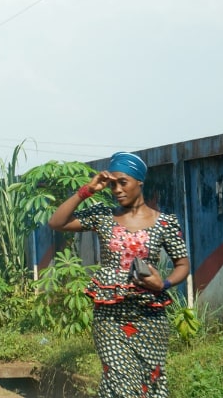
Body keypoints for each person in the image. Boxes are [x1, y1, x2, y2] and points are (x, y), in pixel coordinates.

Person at [48, 152, 190, 397]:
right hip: (110, 317)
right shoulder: (103, 216)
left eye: (123, 182)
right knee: (120, 382)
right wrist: (87, 190)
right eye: (112, 184)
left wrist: (163, 283)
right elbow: (56, 222)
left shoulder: (165, 223)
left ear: (139, 182)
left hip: (150, 316)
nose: (116, 189)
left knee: (151, 382)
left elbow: (183, 266)